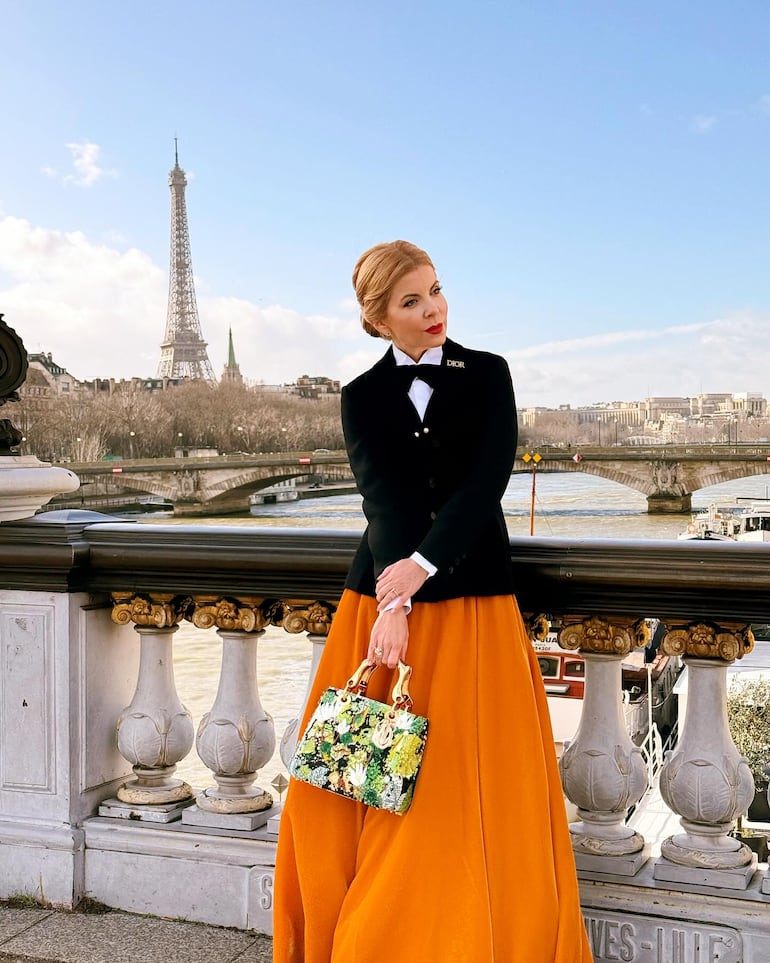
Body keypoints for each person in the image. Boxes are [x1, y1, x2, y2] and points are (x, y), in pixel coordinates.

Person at [273, 240, 592, 962]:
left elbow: (485, 484)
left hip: (471, 598)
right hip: (383, 605)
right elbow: (381, 497)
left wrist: (419, 569)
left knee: (461, 784)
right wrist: (395, 601)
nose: (434, 309)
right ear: (379, 318)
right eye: (412, 301)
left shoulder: (487, 374)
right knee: (354, 785)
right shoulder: (360, 396)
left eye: (437, 290)